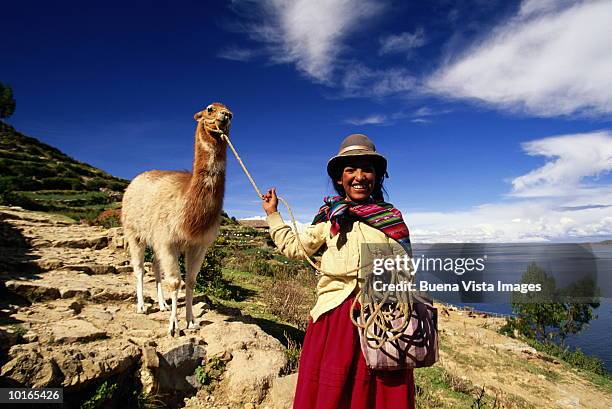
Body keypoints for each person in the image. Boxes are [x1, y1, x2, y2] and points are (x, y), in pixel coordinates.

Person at [261, 133, 416, 409]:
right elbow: (294, 246)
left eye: (367, 169)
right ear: (339, 178)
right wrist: (273, 215)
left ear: (378, 176)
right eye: (350, 169)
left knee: (378, 395)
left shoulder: (390, 219)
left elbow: (404, 267)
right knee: (331, 395)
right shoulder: (329, 218)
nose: (359, 176)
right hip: (334, 321)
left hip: (379, 323)